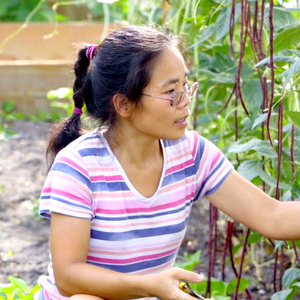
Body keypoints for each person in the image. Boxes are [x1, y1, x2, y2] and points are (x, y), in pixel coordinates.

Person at [36, 25, 300, 300]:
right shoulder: (79, 166)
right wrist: (151, 285)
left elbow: (273, 216)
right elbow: (69, 277)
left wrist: (154, 287)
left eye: (186, 86)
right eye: (172, 91)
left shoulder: (190, 153)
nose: (185, 101)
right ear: (124, 104)